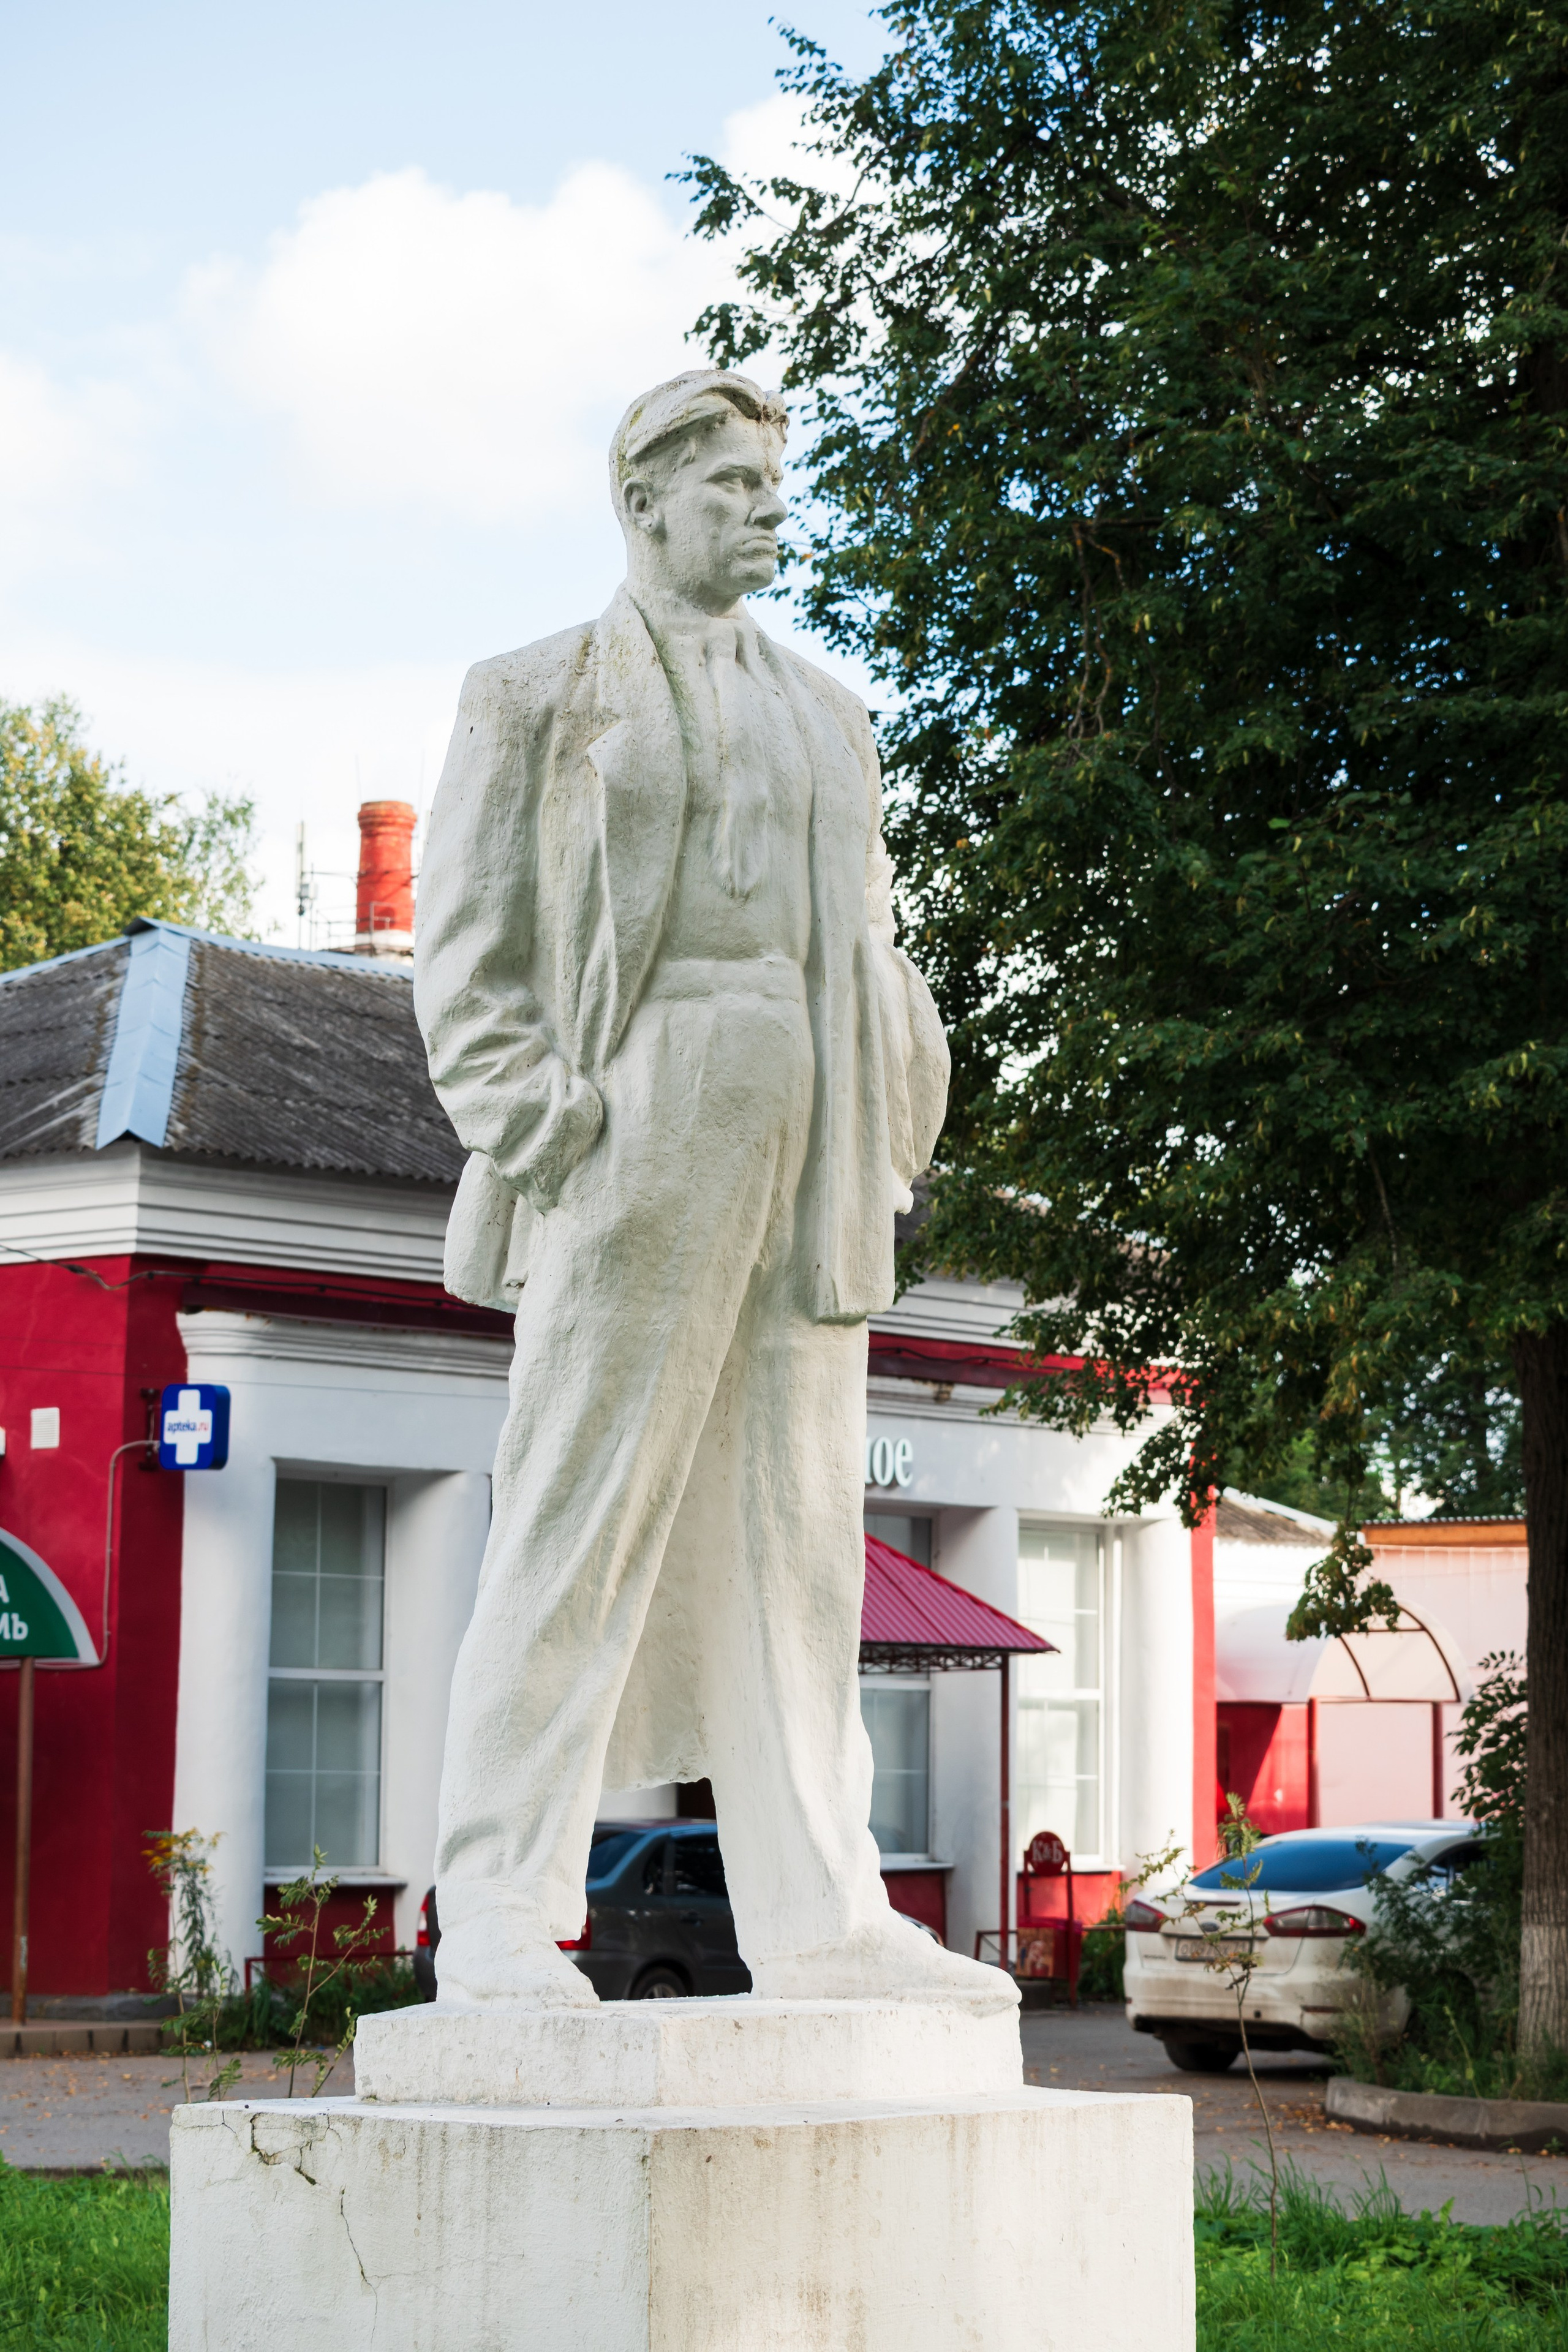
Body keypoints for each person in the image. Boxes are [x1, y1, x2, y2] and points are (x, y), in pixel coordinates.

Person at [415, 368, 1013, 2009]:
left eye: (774, 486)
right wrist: (550, 1128)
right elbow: (467, 955)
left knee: (802, 1530)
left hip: (810, 1133)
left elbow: (871, 943)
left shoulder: (832, 714)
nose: (768, 509)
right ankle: (497, 1914)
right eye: (737, 484)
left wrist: (891, 1123)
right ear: (648, 498)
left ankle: (824, 1922)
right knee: (576, 1512)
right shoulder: (531, 694)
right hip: (639, 1113)